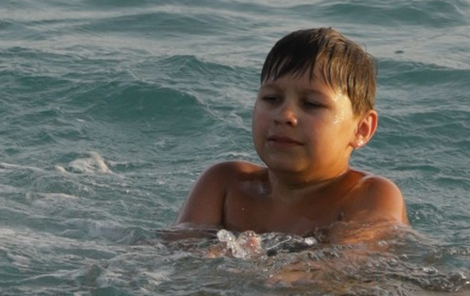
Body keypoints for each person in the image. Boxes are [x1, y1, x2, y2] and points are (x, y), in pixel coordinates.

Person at [172, 26, 405, 248]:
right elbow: (172, 255)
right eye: (271, 99)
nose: (284, 115)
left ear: (361, 129)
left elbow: (347, 267)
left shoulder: (370, 195)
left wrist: (260, 272)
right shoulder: (224, 185)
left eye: (311, 104)